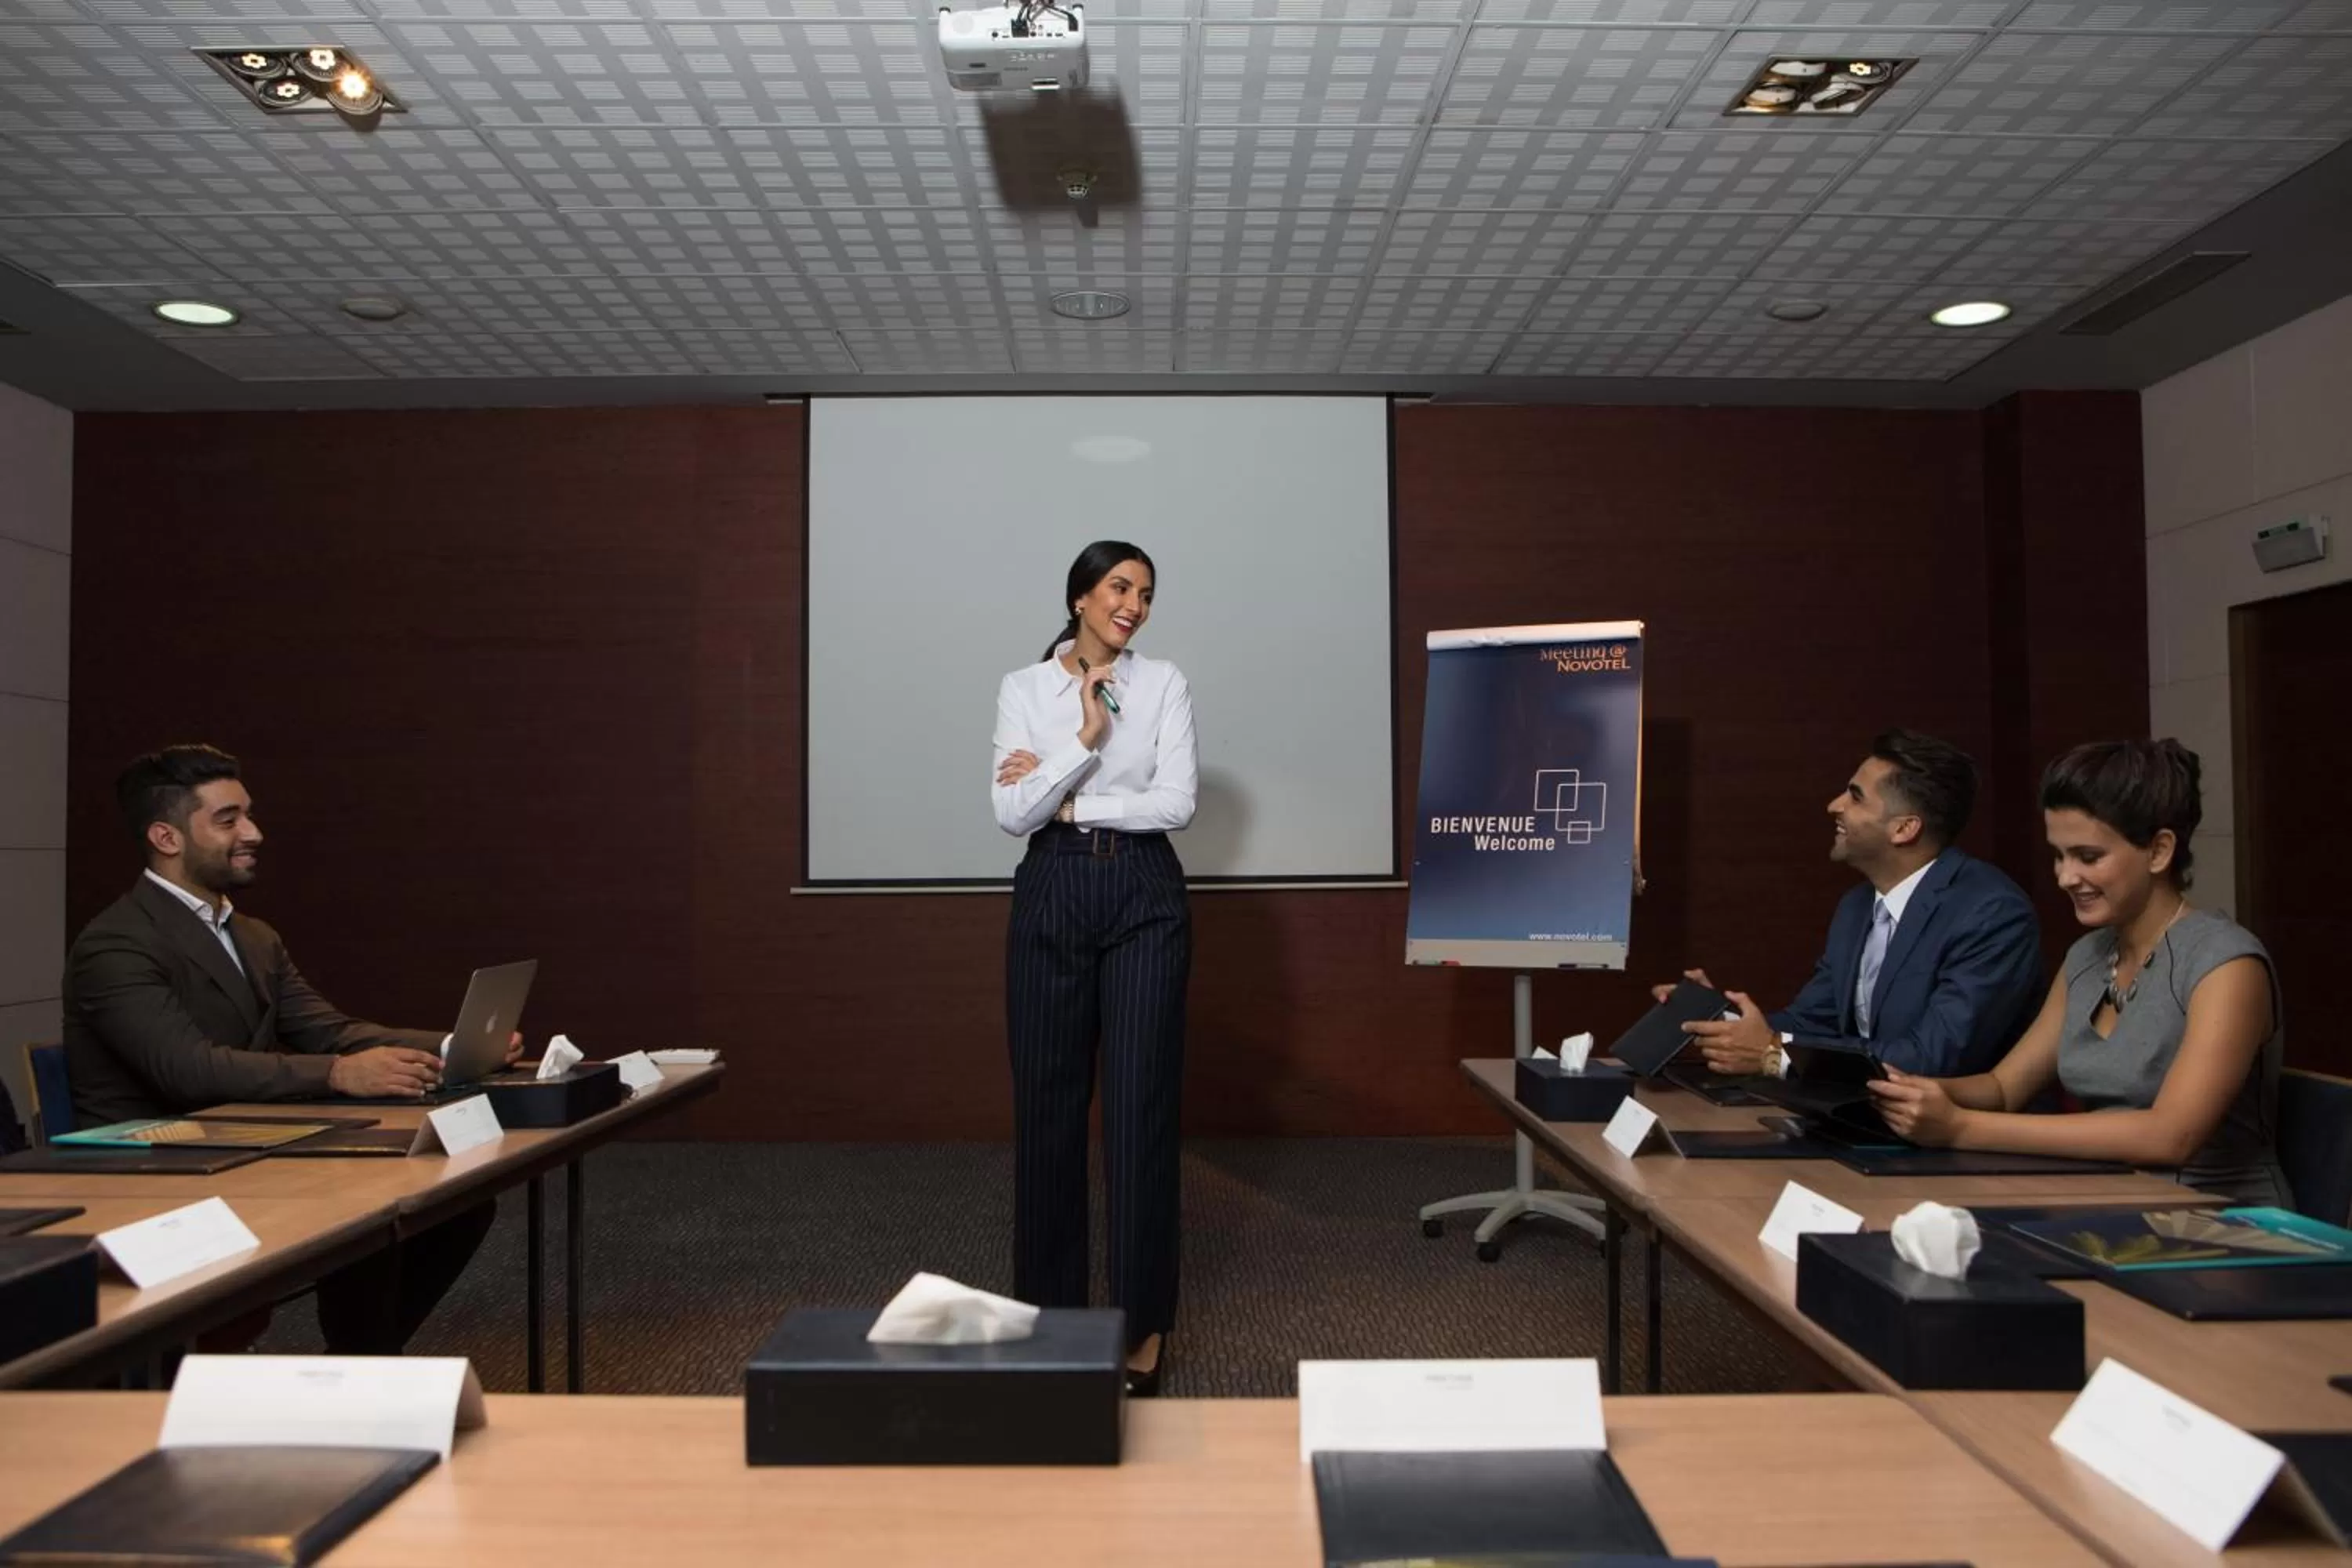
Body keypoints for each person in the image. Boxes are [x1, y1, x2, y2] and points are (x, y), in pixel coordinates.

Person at [64, 745, 514, 1353]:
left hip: (247, 1142)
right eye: (228, 820)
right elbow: (187, 1070)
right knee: (379, 1204)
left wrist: (456, 1043)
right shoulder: (116, 943)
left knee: (448, 1205)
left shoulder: (252, 935)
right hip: (154, 1170)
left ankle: (359, 1363)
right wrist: (338, 1075)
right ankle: (356, 1366)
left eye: (248, 815)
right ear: (167, 837)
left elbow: (327, 1030)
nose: (253, 832)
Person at [1869, 740, 2290, 1206]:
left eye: (2088, 857)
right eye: (2059, 855)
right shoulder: (2087, 956)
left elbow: (2170, 1136)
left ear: (2159, 851)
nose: (2065, 877)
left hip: (2225, 1224)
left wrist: (1962, 1129)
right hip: (2109, 1204)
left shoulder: (2227, 963)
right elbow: (2004, 1088)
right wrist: (1904, 1090)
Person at [992, 542, 1196, 1396]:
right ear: (1081, 595)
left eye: (1146, 593)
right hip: (1052, 888)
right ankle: (1052, 1319)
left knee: (1141, 1110)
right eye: (1120, 587)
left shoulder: (1164, 682)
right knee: (1048, 1111)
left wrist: (1068, 793)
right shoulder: (1022, 688)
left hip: (1145, 891)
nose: (1135, 604)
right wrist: (1085, 740)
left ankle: (1141, 1322)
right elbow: (1009, 813)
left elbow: (1177, 802)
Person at [1664, 730, 2043, 1079]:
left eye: (1855, 796)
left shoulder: (1991, 913)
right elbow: (1813, 1023)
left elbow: (1932, 1059)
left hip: (1955, 1142)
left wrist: (1774, 1056)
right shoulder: (1857, 906)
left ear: (1904, 829)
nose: (1834, 805)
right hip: (1861, 1125)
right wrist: (1721, 1018)